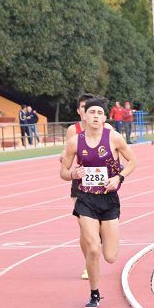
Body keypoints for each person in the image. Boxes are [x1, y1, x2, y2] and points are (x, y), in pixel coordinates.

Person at [59, 97, 138, 308]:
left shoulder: (114, 137)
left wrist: (119, 178)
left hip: (109, 199)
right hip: (86, 198)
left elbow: (133, 161)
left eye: (99, 113)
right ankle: (94, 294)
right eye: (91, 112)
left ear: (105, 117)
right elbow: (63, 171)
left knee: (110, 256)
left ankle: (103, 231)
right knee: (93, 249)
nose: (95, 116)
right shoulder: (75, 141)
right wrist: (73, 173)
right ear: (84, 115)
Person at [65, 94, 95, 280]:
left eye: (90, 107)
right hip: (80, 182)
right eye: (83, 107)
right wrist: (63, 158)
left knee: (99, 229)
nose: (86, 111)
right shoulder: (73, 130)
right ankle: (88, 265)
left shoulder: (105, 128)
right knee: (84, 227)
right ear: (79, 110)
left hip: (102, 183)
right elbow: (67, 150)